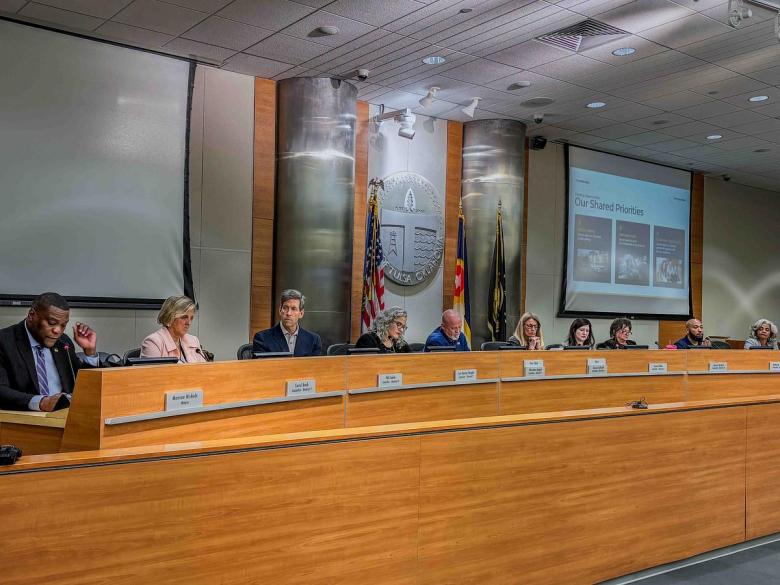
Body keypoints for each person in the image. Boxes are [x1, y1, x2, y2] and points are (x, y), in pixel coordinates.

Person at [0, 292, 99, 411]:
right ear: (32, 315)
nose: (58, 331)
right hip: (24, 421)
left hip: (65, 418)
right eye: (52, 323)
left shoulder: (63, 343)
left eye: (63, 325)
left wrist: (90, 352)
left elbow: (83, 386)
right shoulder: (4, 341)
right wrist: (41, 402)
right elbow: (2, 390)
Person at [252, 289, 322, 356]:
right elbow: (260, 367)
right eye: (285, 308)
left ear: (301, 313)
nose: (288, 313)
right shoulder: (262, 338)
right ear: (280, 310)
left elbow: (317, 367)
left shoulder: (313, 340)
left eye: (293, 309)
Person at [141, 295, 208, 363]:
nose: (189, 323)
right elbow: (152, 373)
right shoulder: (153, 343)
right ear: (170, 318)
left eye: (191, 318)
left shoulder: (193, 341)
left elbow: (203, 370)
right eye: (184, 317)